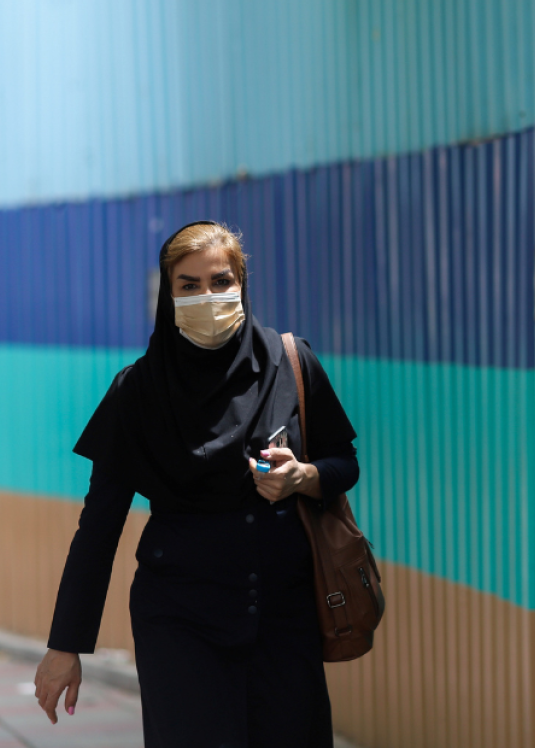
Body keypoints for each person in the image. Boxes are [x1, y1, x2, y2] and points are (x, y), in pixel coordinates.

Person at [32, 221, 359, 748]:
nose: (207, 296)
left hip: (282, 618)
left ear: (242, 286)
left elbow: (344, 460)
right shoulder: (138, 392)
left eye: (220, 281)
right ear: (168, 294)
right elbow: (99, 525)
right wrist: (65, 645)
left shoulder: (290, 363)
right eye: (189, 285)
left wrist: (305, 476)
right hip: (180, 622)